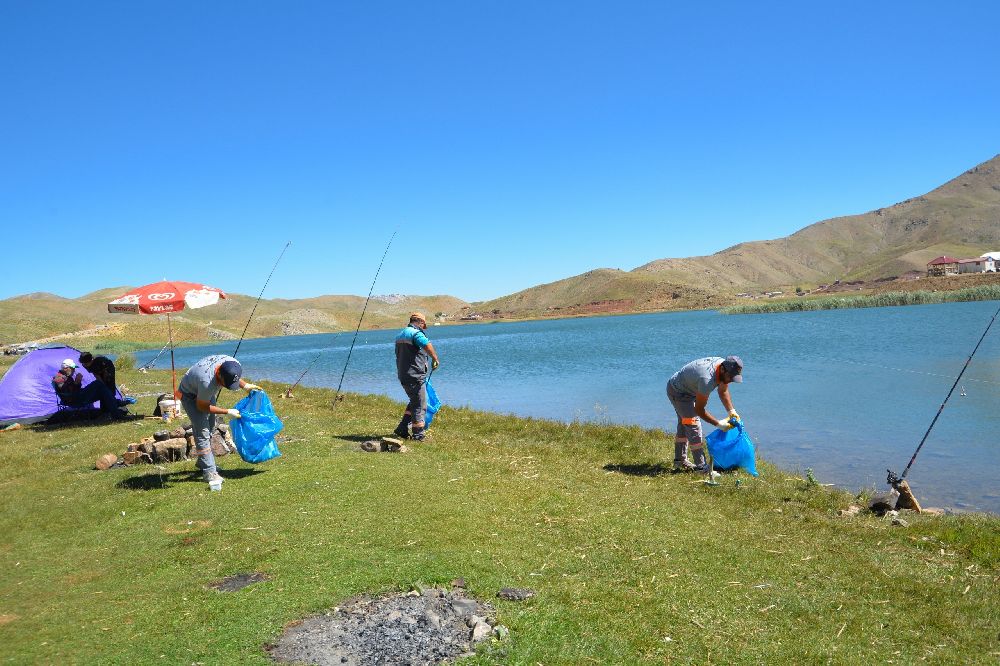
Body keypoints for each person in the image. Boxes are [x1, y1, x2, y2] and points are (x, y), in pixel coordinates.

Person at [176, 355, 260, 490]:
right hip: (189, 395)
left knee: (210, 426)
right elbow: (201, 406)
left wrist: (245, 385)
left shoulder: (232, 363)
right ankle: (209, 472)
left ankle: (203, 462)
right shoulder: (206, 382)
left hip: (204, 393)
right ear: (219, 375)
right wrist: (227, 411)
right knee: (202, 431)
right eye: (224, 383)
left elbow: (234, 377)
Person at [666, 355, 744, 474]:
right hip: (679, 392)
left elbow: (723, 390)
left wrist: (732, 411)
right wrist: (718, 424)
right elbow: (699, 410)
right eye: (730, 377)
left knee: (684, 423)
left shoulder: (723, 368)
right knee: (693, 425)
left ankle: (680, 461)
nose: (731, 380)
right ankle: (702, 468)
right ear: (723, 369)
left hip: (689, 389)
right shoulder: (706, 380)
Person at [392, 312, 440, 441]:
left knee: (414, 401)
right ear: (420, 322)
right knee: (420, 404)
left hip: (403, 374)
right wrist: (435, 358)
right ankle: (418, 434)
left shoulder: (400, 334)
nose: (423, 327)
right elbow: (426, 344)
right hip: (415, 375)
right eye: (423, 324)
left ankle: (402, 428)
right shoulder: (415, 333)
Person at [51, 358, 126, 416]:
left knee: (101, 391)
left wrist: (78, 383)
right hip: (74, 400)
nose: (74, 370)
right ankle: (116, 407)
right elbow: (69, 393)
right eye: (72, 368)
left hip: (76, 397)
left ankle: (108, 411)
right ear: (66, 368)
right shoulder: (59, 378)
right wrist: (77, 382)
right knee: (98, 384)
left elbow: (73, 389)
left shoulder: (66, 376)